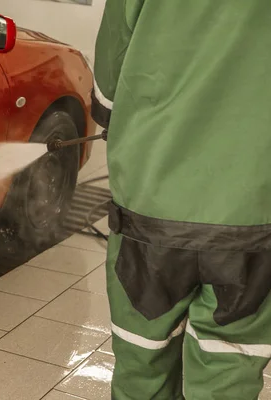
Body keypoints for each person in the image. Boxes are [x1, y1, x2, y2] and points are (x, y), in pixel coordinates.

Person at [90, 1, 271, 399]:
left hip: (151, 208)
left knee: (142, 363)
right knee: (229, 368)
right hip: (254, 214)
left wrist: (110, 117)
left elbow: (111, 64)